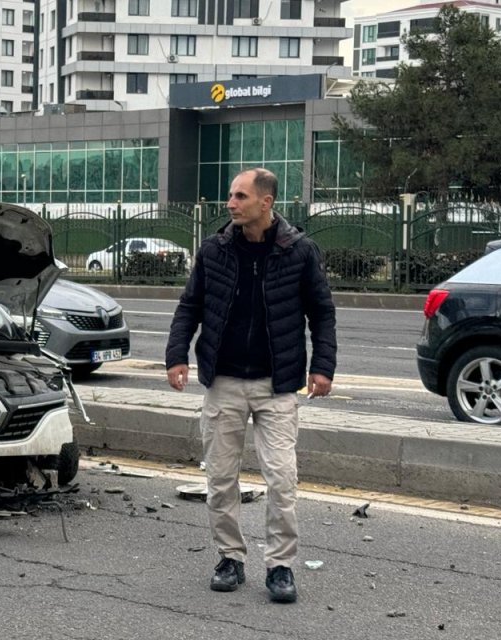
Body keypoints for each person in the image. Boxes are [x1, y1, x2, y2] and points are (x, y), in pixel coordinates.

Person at [164, 167, 337, 605]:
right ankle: (230, 558)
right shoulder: (215, 249)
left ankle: (280, 567)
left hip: (277, 384)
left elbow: (322, 312)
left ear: (266, 202)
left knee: (282, 480)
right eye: (230, 196)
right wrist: (176, 355)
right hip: (223, 381)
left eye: (240, 196)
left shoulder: (300, 251)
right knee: (221, 479)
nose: (231, 203)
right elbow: (191, 306)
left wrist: (324, 367)